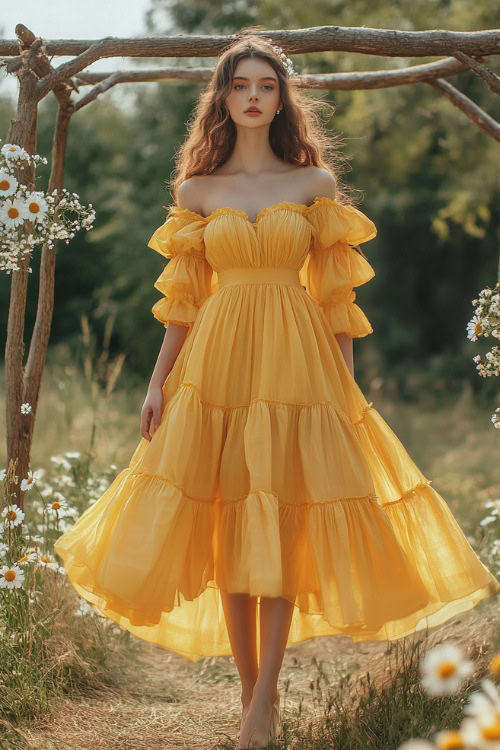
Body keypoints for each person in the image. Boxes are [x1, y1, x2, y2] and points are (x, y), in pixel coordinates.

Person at [53, 32, 500, 750]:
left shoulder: (313, 184)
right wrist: (156, 383)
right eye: (241, 86)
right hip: (218, 361)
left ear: (281, 98)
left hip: (298, 364)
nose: (254, 96)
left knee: (286, 515)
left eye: (266, 85)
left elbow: (335, 299)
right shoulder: (196, 191)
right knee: (232, 518)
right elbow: (182, 303)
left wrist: (346, 389)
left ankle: (266, 703)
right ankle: (246, 695)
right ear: (223, 99)